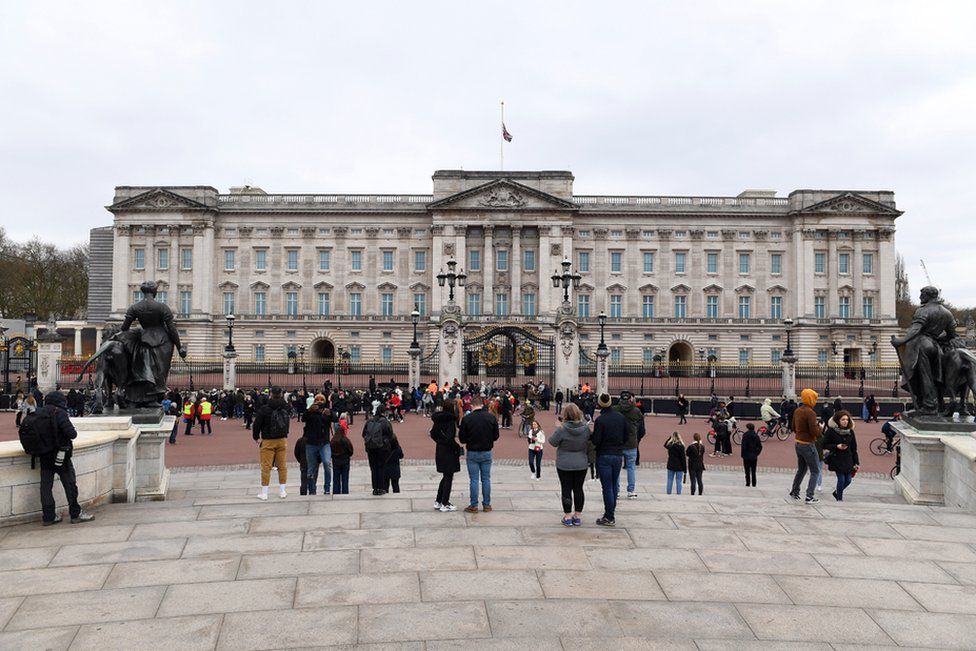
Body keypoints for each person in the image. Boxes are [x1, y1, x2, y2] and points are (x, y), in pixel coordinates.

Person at [31, 391, 95, 525]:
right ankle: (75, 514)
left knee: (46, 487)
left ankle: (49, 517)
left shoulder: (38, 413)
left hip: (44, 455)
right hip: (61, 455)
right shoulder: (59, 413)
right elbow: (72, 434)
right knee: (70, 484)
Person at [548, 403, 590, 526]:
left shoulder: (562, 429)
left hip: (564, 463)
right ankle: (577, 516)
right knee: (578, 488)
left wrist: (558, 427)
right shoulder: (586, 428)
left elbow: (552, 442)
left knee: (566, 489)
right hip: (581, 462)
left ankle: (567, 516)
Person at [458, 395, 500, 513]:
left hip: (472, 452)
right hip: (487, 451)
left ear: (472, 406)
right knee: (486, 479)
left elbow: (462, 439)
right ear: (482, 405)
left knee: (474, 480)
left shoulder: (467, 419)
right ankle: (487, 504)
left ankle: (474, 505)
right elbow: (496, 436)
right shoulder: (491, 418)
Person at [591, 393, 627, 527]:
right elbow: (627, 434)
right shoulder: (621, 417)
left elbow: (596, 440)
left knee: (607, 486)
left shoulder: (600, 420)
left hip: (604, 455)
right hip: (617, 455)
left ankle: (609, 516)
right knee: (613, 485)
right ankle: (610, 513)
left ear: (600, 404)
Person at [252, 386, 289, 500]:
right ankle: (282, 491)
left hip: (268, 440)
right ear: (281, 394)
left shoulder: (264, 409)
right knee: (282, 466)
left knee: (266, 466)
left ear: (271, 394)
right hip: (282, 439)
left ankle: (265, 492)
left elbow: (257, 424)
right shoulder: (285, 406)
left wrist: (256, 436)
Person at [789, 388, 822, 504]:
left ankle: (794, 491)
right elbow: (814, 431)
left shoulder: (797, 411)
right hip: (808, 445)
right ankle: (809, 496)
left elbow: (792, 427)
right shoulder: (811, 412)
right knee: (815, 471)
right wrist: (820, 429)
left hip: (798, 443)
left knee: (802, 469)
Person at [431, 402, 462, 512]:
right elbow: (449, 438)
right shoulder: (450, 420)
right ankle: (445, 502)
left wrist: (439, 442)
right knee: (448, 476)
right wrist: (456, 447)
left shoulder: (437, 419)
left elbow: (433, 433)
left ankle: (438, 501)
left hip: (440, 449)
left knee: (445, 476)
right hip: (448, 451)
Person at [823, 410, 859, 501]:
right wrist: (836, 446)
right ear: (838, 421)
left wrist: (856, 462)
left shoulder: (850, 432)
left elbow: (854, 448)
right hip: (836, 458)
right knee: (841, 479)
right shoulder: (831, 431)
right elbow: (824, 444)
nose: (845, 421)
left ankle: (836, 492)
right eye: (843, 419)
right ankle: (839, 499)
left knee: (848, 480)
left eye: (847, 420)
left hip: (848, 458)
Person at [616, 391, 646, 499]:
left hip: (618, 443)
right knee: (631, 468)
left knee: (616, 468)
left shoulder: (616, 410)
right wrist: (637, 439)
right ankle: (631, 490)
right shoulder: (636, 411)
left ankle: (617, 491)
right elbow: (642, 427)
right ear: (630, 399)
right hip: (631, 442)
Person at [363, 407, 395, 495]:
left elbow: (364, 434)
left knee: (373, 468)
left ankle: (375, 488)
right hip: (382, 448)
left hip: (370, 447)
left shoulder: (369, 421)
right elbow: (391, 435)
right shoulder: (385, 422)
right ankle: (381, 488)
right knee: (381, 467)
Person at [304, 398, 332, 495]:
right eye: (317, 402)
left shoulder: (326, 414)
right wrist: (310, 409)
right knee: (311, 467)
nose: (319, 404)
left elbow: (334, 419)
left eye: (321, 402)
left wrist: (330, 412)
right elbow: (304, 418)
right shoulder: (310, 414)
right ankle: (311, 490)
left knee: (327, 463)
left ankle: (327, 488)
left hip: (324, 443)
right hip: (311, 443)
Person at [330, 416, 353, 494]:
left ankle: (336, 491)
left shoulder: (333, 441)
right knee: (345, 478)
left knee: (336, 477)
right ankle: (345, 491)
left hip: (336, 460)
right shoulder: (346, 440)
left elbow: (330, 452)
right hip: (345, 460)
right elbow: (351, 451)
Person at [740, 422, 763, 487]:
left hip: (746, 455)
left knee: (747, 470)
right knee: (753, 471)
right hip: (754, 455)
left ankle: (747, 483)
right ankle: (754, 483)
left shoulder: (745, 435)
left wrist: (743, 454)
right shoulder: (756, 436)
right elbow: (760, 446)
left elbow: (743, 446)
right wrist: (757, 453)